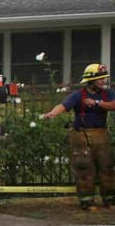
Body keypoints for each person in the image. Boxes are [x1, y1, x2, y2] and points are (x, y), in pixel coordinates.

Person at [42, 63, 115, 210]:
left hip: (101, 135)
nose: (103, 81)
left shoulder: (107, 94)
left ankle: (110, 200)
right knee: (84, 169)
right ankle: (87, 202)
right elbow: (64, 105)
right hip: (81, 136)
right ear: (91, 80)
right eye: (100, 78)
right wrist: (53, 113)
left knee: (107, 167)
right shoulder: (78, 95)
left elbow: (113, 105)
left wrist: (97, 103)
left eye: (104, 78)